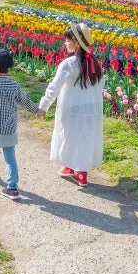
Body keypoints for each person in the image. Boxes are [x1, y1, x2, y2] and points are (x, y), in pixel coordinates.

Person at [38, 22, 105, 186]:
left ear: (77, 43)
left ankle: (69, 166)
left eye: (68, 40)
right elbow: (99, 89)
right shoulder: (95, 64)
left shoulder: (68, 64)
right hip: (91, 109)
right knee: (85, 137)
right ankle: (81, 173)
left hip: (72, 108)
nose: (65, 43)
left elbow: (54, 87)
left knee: (69, 135)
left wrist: (43, 106)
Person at [0, 47, 39, 197]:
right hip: (9, 129)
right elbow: (25, 101)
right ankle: (12, 187)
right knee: (10, 157)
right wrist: (37, 111)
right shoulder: (14, 86)